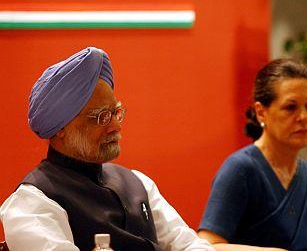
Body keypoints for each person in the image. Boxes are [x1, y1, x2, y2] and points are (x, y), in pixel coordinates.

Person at [0, 47, 215, 251]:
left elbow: (190, 244)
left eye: (116, 112)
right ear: (61, 128)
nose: (116, 126)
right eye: (101, 117)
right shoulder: (32, 203)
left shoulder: (139, 183)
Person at [198, 59, 307, 251]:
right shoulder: (241, 168)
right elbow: (208, 245)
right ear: (261, 112)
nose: (304, 117)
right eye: (291, 107)